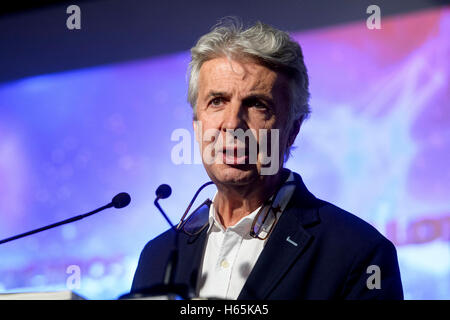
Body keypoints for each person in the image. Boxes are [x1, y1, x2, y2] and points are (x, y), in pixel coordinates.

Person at [130, 19, 403, 300]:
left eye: (258, 104)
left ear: (292, 131)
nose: (233, 123)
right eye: (217, 101)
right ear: (196, 124)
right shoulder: (158, 257)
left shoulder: (359, 252)